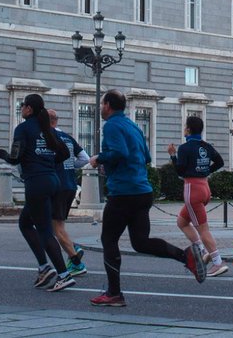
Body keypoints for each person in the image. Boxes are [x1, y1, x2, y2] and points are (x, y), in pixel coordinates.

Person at [88, 90, 205, 308]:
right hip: (142, 191)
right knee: (141, 242)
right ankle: (186, 256)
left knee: (109, 240)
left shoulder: (112, 125)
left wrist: (99, 159)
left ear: (108, 105)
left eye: (102, 103)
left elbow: (119, 152)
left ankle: (114, 293)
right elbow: (147, 157)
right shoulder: (133, 126)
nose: (101, 107)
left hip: (123, 192)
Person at [0, 94, 73, 292]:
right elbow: (64, 153)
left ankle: (63, 275)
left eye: (23, 106)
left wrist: (1, 153)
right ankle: (44, 267)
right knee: (25, 223)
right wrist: (47, 162)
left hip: (36, 183)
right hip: (53, 181)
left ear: (29, 109)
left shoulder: (23, 129)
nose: (21, 108)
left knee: (45, 231)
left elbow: (15, 158)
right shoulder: (47, 129)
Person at [167, 116, 228, 277]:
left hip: (192, 189)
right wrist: (206, 171)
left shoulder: (185, 148)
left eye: (185, 126)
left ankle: (217, 261)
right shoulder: (206, 146)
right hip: (205, 187)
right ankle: (202, 251)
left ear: (188, 129)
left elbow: (180, 171)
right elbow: (220, 162)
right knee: (182, 221)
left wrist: (173, 156)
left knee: (203, 229)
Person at [47, 109, 89, 278]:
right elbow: (85, 158)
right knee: (58, 226)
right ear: (56, 121)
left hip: (57, 186)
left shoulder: (48, 137)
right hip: (70, 184)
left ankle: (76, 261)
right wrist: (71, 167)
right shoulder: (68, 138)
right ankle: (74, 249)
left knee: (55, 228)